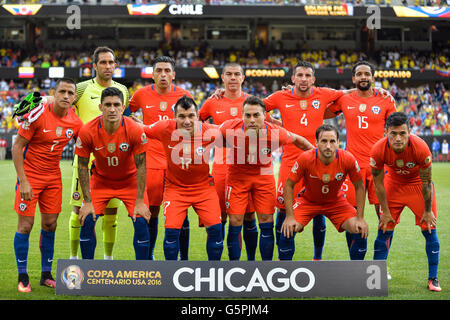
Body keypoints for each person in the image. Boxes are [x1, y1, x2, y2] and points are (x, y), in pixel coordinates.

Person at [220, 96, 314, 261]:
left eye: (256, 115)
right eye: (247, 115)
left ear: (265, 116)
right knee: (235, 221)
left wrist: (316, 157)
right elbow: (206, 137)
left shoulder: (276, 133)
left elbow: (299, 141)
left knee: (266, 221)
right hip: (237, 177)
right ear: (241, 116)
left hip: (263, 176)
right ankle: (234, 267)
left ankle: (266, 268)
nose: (251, 119)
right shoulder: (228, 128)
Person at [12, 78, 83, 292]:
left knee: (50, 224)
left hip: (53, 177)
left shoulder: (75, 122)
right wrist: (23, 181)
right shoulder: (37, 114)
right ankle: (22, 276)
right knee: (25, 225)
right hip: (30, 176)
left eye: (70, 93)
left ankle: (46, 274)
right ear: (54, 92)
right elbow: (17, 147)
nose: (66, 96)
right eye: (62, 91)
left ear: (74, 98)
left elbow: (85, 146)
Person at [326, 61, 397, 258]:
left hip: (378, 167)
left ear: (373, 78)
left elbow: (396, 129)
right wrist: (299, 93)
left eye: (367, 74)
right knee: (351, 215)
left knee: (384, 216)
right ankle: (356, 263)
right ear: (354, 79)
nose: (363, 77)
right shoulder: (345, 99)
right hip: (352, 167)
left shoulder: (385, 100)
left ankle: (379, 263)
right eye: (359, 74)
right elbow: (319, 110)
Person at [67, 47, 130, 260]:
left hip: (113, 165)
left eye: (111, 62)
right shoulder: (82, 89)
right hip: (85, 163)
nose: (107, 66)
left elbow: (127, 120)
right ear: (94, 66)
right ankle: (74, 260)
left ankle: (108, 260)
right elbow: (61, 103)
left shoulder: (123, 90)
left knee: (111, 215)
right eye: (103, 62)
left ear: (115, 65)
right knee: (79, 213)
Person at [143, 95, 223, 261]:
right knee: (171, 232)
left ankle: (214, 274)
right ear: (174, 117)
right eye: (182, 116)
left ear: (198, 116)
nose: (187, 121)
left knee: (216, 230)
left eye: (191, 116)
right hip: (175, 189)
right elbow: (141, 129)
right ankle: (172, 276)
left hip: (203, 188)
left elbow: (239, 133)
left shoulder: (211, 131)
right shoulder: (164, 127)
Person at [75, 87, 151, 260]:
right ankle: (88, 273)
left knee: (140, 220)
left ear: (123, 107)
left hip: (130, 181)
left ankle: (143, 273)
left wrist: (139, 201)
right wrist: (87, 202)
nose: (112, 109)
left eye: (116, 105)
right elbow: (82, 166)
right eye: (107, 105)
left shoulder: (135, 129)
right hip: (101, 181)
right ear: (100, 107)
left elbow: (141, 166)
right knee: (87, 218)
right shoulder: (88, 130)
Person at [129, 56, 192, 260]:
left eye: (167, 70)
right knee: (152, 212)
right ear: (153, 73)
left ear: (173, 74)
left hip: (178, 162)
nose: (163, 74)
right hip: (152, 162)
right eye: (159, 70)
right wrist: (135, 122)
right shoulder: (140, 95)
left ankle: (184, 258)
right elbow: (124, 113)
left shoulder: (185, 96)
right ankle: (149, 257)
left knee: (181, 212)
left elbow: (196, 122)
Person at [370, 112, 441, 292]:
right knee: (384, 228)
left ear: (410, 131)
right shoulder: (378, 149)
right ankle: (376, 276)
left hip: (418, 184)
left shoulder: (421, 147)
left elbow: (427, 183)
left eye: (402, 133)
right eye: (393, 133)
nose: (398, 138)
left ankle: (433, 278)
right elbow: (378, 184)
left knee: (429, 228)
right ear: (386, 132)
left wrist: (427, 210)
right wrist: (385, 211)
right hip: (393, 185)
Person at [279, 124, 368, 261]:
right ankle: (284, 273)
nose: (328, 146)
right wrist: (289, 216)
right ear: (316, 143)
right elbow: (289, 185)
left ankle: (357, 272)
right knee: (288, 230)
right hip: (308, 201)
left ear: (338, 142)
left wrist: (360, 218)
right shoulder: (306, 158)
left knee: (359, 229)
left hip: (336, 202)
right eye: (324, 141)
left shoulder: (347, 158)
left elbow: (360, 187)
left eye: (332, 141)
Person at [199, 62, 258, 260]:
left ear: (243, 78)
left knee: (248, 217)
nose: (233, 78)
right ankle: (215, 266)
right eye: (229, 74)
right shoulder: (211, 103)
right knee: (218, 218)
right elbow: (195, 123)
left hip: (247, 168)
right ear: (222, 78)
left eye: (237, 74)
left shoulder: (252, 102)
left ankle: (248, 263)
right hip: (220, 168)